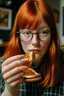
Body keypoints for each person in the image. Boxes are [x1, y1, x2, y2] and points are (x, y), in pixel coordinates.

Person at [0, 0, 64, 96]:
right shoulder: (5, 64)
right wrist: (10, 91)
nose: (35, 42)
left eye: (43, 32)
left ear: (52, 35)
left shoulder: (62, 61)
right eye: (26, 33)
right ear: (18, 36)